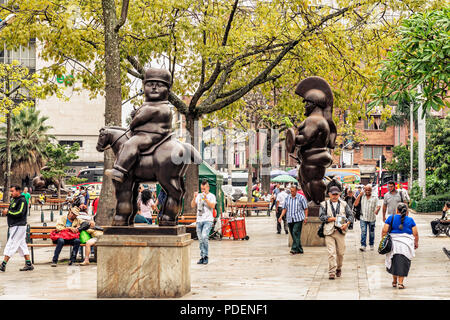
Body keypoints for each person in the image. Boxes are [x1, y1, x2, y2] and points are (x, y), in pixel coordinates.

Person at [105, 68, 173, 183]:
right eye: (150, 84)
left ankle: (119, 170)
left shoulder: (157, 107)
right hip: (145, 133)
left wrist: (134, 121)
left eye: (159, 85)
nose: (154, 88)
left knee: (130, 144)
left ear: (168, 90)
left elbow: (138, 120)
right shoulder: (149, 105)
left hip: (151, 135)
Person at [319, 186, 353, 280]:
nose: (334, 196)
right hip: (329, 231)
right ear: (329, 194)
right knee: (331, 253)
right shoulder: (324, 204)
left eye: (336, 194)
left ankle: (339, 267)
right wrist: (333, 219)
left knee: (341, 253)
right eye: (333, 194)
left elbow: (351, 216)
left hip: (340, 231)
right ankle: (331, 272)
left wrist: (347, 223)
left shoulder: (344, 204)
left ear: (339, 194)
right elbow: (321, 217)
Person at [382, 203, 419, 289]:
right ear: (406, 211)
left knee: (394, 262)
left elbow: (384, 231)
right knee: (403, 263)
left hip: (393, 245)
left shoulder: (391, 218)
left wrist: (384, 241)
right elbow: (415, 233)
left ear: (397, 210)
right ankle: (400, 283)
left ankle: (394, 282)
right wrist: (416, 243)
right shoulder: (410, 220)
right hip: (406, 246)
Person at [0, 185, 34, 272]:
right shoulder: (14, 199)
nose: (11, 193)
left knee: (11, 243)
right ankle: (28, 263)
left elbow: (20, 212)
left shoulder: (22, 200)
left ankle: (3, 264)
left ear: (18, 191)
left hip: (19, 225)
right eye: (11, 191)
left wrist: (8, 212)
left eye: (13, 191)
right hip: (14, 225)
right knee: (21, 245)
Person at [191, 180, 216, 265]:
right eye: (202, 189)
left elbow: (212, 206)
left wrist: (206, 199)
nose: (203, 191)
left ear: (208, 188)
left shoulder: (211, 196)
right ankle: (202, 256)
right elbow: (192, 205)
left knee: (204, 236)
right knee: (201, 239)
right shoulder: (199, 196)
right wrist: (194, 197)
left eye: (204, 189)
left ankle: (206, 256)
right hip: (199, 220)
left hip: (208, 220)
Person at [278, 185, 308, 254]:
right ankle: (300, 249)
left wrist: (306, 217)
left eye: (293, 191)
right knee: (293, 234)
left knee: (295, 232)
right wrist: (280, 216)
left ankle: (294, 249)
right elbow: (285, 208)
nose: (292, 192)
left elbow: (305, 208)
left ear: (296, 191)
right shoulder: (287, 198)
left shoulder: (301, 198)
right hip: (290, 219)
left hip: (298, 218)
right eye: (291, 191)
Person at [354, 184, 380, 251]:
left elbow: (378, 205)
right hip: (363, 217)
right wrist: (359, 195)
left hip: (372, 218)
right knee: (363, 232)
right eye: (366, 190)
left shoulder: (375, 197)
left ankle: (371, 244)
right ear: (364, 190)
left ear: (371, 190)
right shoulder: (362, 196)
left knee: (371, 232)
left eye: (369, 190)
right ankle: (363, 245)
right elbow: (355, 204)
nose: (368, 191)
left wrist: (377, 210)